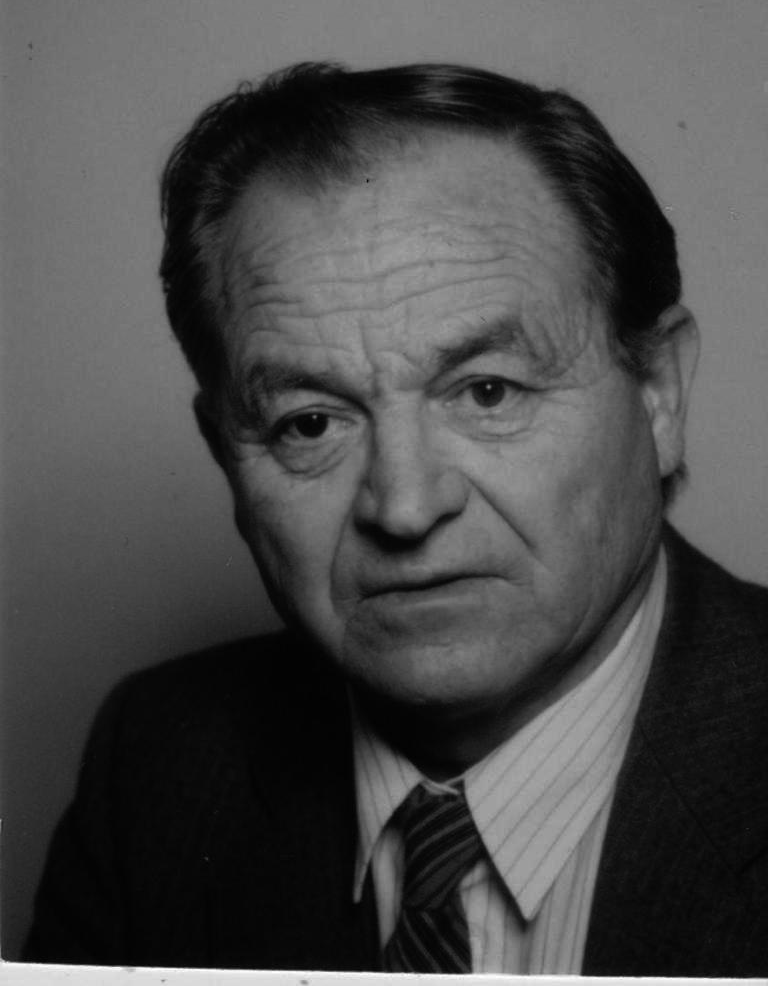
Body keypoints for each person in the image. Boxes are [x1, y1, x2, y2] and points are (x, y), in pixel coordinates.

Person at [24, 62, 768, 975]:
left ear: (658, 393)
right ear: (225, 454)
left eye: (488, 391)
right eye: (310, 423)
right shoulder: (157, 769)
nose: (405, 508)